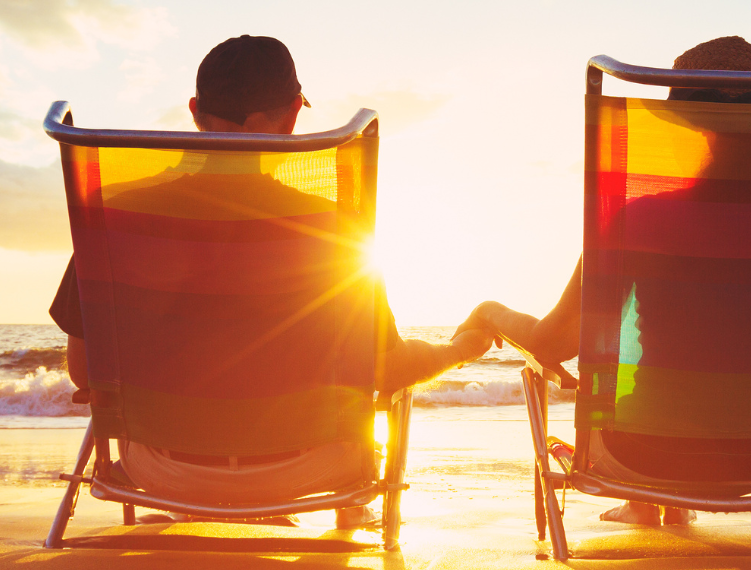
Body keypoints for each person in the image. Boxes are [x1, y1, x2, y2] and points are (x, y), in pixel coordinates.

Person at [51, 35, 494, 528]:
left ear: (195, 111)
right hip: (310, 470)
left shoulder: (117, 219)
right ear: (290, 117)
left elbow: (84, 370)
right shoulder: (335, 230)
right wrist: (458, 349)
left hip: (158, 470)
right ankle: (347, 514)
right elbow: (386, 372)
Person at [457, 36, 751, 526]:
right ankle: (658, 505)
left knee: (648, 394)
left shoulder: (642, 218)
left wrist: (490, 312)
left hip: (645, 455)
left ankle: (646, 499)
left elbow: (552, 343)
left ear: (694, 129)